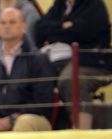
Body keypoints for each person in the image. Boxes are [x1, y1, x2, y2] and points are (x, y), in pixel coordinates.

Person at [33, 0, 111, 130]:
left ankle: (81, 132)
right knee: (35, 74)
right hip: (58, 59)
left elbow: (83, 32)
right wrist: (64, 26)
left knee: (71, 80)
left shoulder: (94, 5)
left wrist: (55, 32)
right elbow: (39, 29)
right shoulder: (60, 5)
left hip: (92, 61)